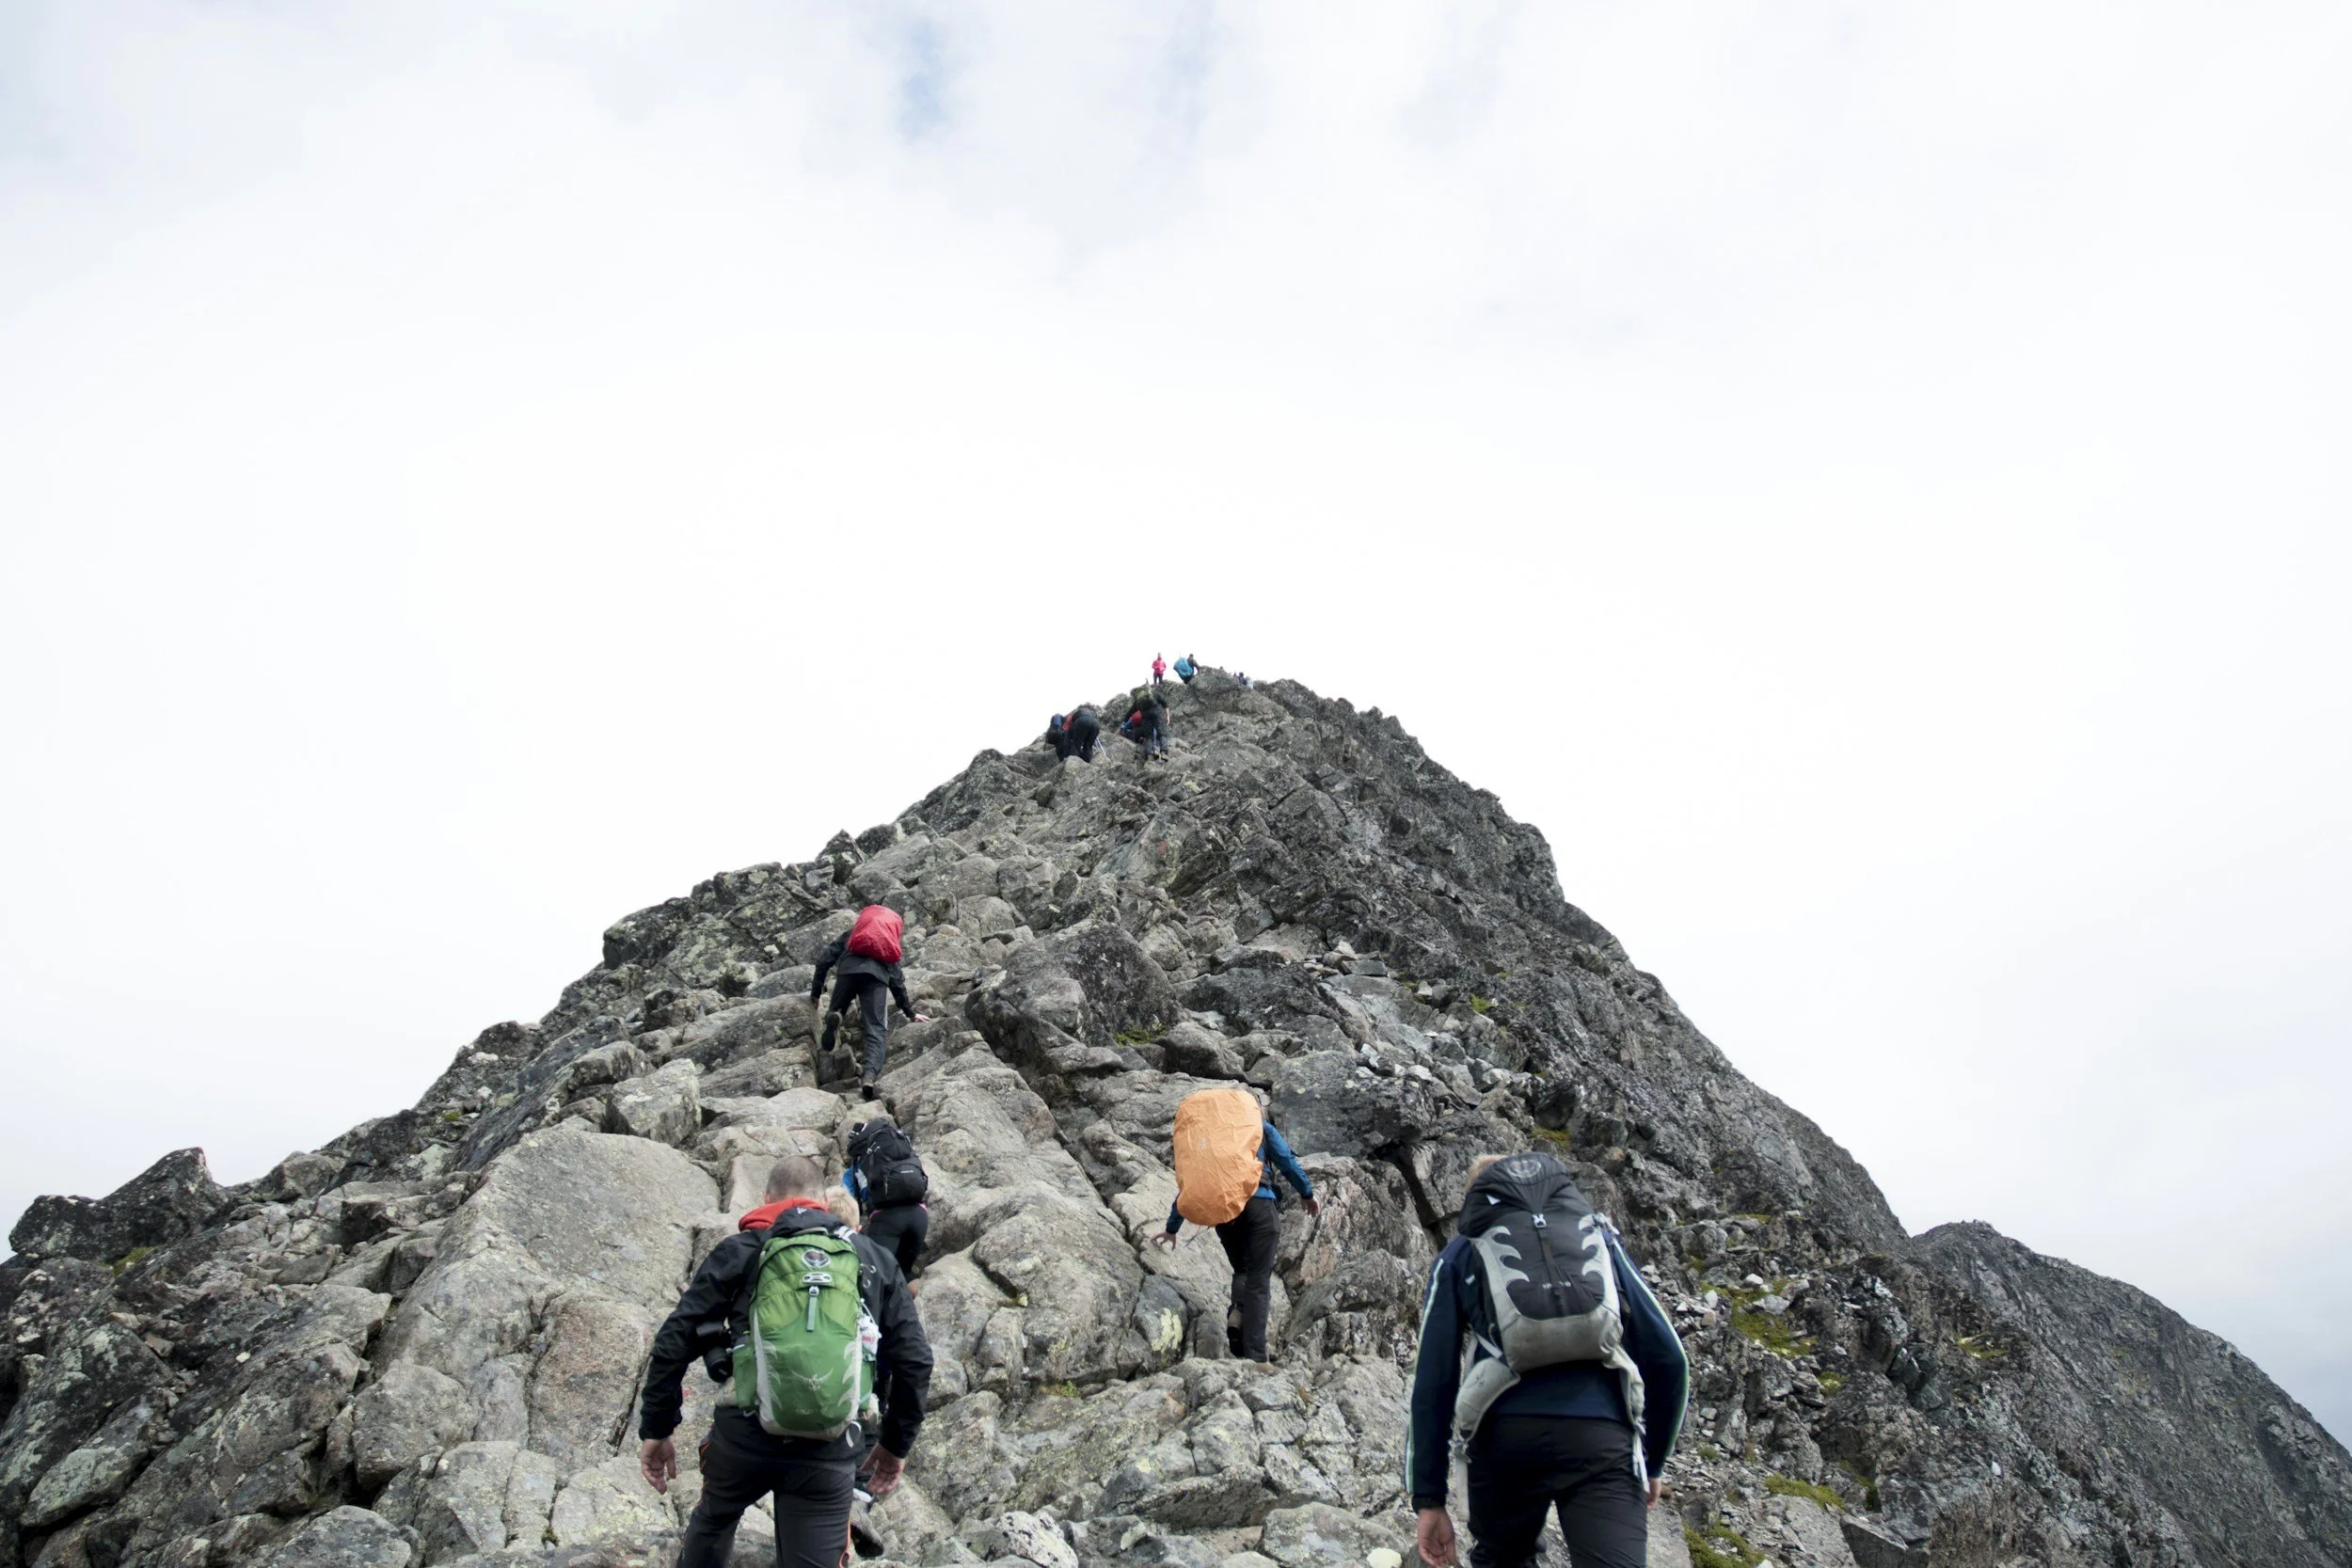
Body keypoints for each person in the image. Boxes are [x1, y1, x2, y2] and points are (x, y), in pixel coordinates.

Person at [639, 1154, 934, 1568]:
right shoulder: (871, 1257)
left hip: (743, 1438)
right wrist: (894, 1445)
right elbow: (915, 1360)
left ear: (766, 1198)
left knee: (716, 1517)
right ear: (822, 1201)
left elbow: (673, 1340)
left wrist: (657, 1429)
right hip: (829, 1445)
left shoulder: (743, 1249)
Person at [1406, 1152, 1689, 1568]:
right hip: (1602, 1436)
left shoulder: (1461, 1252)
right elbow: (1669, 1357)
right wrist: (1652, 1460)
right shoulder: (1597, 1237)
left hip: (1504, 1436)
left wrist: (1428, 1498)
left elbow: (1433, 1381)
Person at [1152, 1112, 1318, 1362]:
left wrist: (1172, 1227)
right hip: (1260, 1206)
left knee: (1242, 1269)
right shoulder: (1258, 1125)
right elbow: (1286, 1162)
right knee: (1259, 1280)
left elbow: (1194, 1185)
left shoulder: (1211, 1138)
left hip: (1224, 1212)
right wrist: (1307, 1193)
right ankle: (1257, 1357)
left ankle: (1238, 1315)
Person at [811, 907, 930, 1100]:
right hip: (876, 980)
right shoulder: (887, 943)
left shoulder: (854, 934)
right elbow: (897, 981)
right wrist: (910, 1012)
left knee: (836, 1009)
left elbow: (825, 958)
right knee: (875, 1029)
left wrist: (816, 991)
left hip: (847, 972)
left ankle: (835, 1017)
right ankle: (869, 1075)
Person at [845, 1117, 930, 1278]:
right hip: (920, 1216)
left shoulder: (856, 1167)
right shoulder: (904, 1151)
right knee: (904, 1273)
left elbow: (848, 1208)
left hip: (887, 1220)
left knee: (877, 1275)